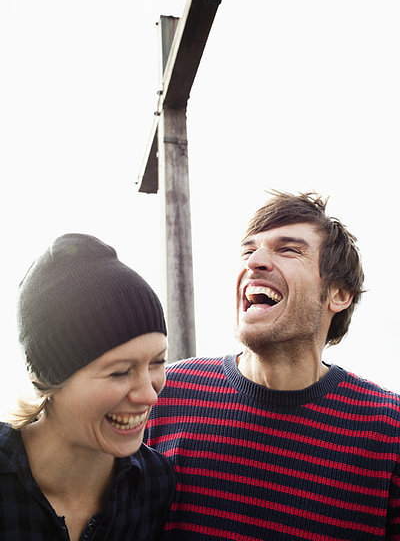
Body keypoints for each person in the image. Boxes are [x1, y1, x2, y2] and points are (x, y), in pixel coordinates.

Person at [145, 191, 400, 540]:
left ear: (339, 293)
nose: (254, 262)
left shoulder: (389, 430)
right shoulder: (163, 393)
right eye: (248, 251)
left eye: (288, 249)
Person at [0, 233, 175, 540]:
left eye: (157, 362)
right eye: (120, 372)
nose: (149, 394)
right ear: (50, 379)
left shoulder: (154, 484)